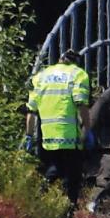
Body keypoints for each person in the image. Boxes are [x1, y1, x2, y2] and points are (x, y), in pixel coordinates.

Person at [25, 50, 93, 208]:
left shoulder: (41, 76)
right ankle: (68, 213)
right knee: (72, 176)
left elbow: (31, 111)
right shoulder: (78, 74)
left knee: (53, 170)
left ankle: (41, 206)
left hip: (47, 137)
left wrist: (29, 136)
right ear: (76, 62)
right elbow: (81, 105)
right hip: (69, 136)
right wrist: (87, 130)